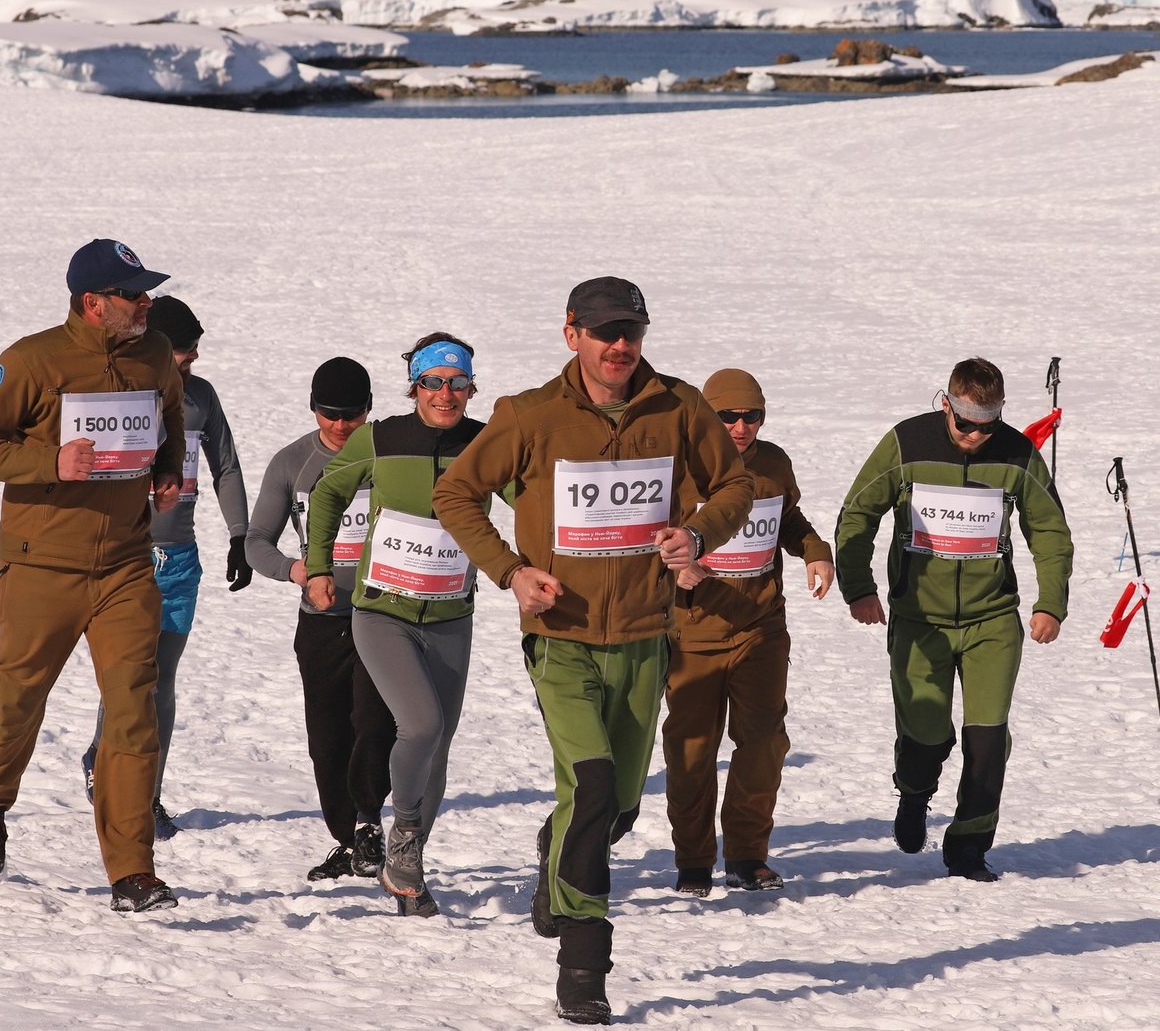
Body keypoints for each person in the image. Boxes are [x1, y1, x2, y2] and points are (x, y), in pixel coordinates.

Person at [431, 277, 754, 1025]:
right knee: (596, 782)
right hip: (562, 640)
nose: (620, 347)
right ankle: (584, 963)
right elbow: (456, 493)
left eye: (632, 333)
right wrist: (511, 571)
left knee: (615, 808)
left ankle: (559, 848)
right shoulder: (530, 415)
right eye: (606, 332)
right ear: (571, 331)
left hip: (645, 639)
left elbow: (734, 484)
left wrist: (699, 534)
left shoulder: (679, 408)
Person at [0, 238, 185, 913]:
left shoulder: (154, 353)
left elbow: (169, 416)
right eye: (132, 294)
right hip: (40, 565)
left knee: (132, 709)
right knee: (19, 698)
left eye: (146, 293)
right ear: (92, 304)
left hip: (124, 564)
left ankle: (131, 870)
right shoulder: (30, 359)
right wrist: (50, 462)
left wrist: (167, 468)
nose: (146, 303)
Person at [834, 357, 1073, 883]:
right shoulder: (906, 444)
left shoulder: (1018, 454)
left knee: (987, 741)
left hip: (992, 621)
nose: (973, 436)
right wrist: (859, 587)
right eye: (964, 423)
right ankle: (915, 791)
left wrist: (1050, 601)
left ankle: (968, 845)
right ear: (946, 404)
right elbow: (857, 514)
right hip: (919, 620)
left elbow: (1050, 531)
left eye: (986, 426)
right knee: (925, 735)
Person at [305, 334, 485, 917]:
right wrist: (317, 566)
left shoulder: (485, 443)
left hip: (452, 616)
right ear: (415, 387)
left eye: (458, 383)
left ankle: (408, 869)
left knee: (441, 743)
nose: (446, 394)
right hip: (382, 611)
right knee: (422, 724)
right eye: (433, 382)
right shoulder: (380, 438)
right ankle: (403, 831)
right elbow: (329, 491)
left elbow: (527, 502)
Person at [79, 295, 251, 841]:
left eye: (195, 353)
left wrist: (241, 536)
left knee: (164, 681)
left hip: (179, 560)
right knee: (129, 676)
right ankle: (111, 775)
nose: (190, 363)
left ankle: (148, 793)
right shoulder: (122, 393)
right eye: (182, 353)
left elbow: (225, 465)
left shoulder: (201, 398)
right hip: (123, 557)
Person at [663, 368, 834, 897]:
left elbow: (790, 520)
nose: (740, 427)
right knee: (692, 751)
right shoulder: (680, 465)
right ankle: (693, 862)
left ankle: (746, 855)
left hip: (761, 628)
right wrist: (673, 566)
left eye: (751, 416)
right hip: (693, 634)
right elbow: (636, 530)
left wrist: (816, 553)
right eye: (728, 417)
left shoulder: (773, 463)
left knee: (763, 745)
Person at [246, 357, 397, 884]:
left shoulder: (391, 453)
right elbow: (256, 542)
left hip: (384, 616)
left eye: (352, 415)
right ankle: (348, 837)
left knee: (374, 724)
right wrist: (299, 572)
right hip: (322, 620)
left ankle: (370, 824)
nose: (340, 425)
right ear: (313, 409)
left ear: (369, 411)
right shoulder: (292, 463)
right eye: (330, 414)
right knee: (327, 740)